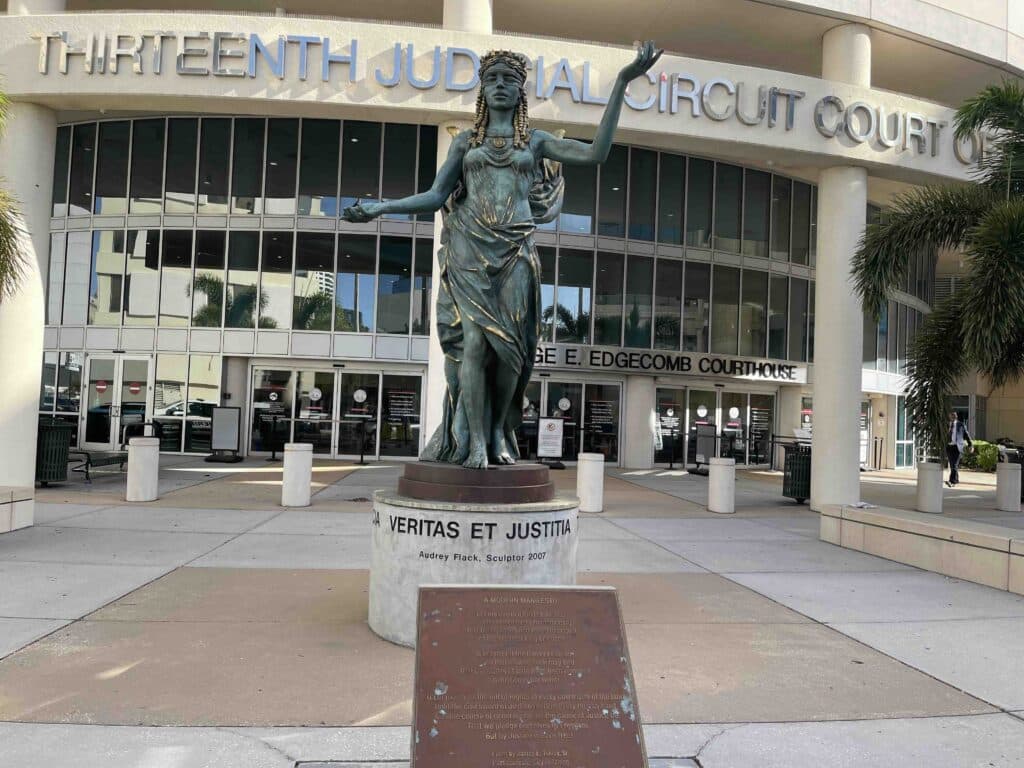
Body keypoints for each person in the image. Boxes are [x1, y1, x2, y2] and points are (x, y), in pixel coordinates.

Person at [342, 43, 662, 468]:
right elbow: (436, 196)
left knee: (512, 348)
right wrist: (381, 208)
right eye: (491, 79)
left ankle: (497, 429)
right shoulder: (465, 144)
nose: (498, 86)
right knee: (473, 344)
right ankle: (475, 441)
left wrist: (622, 81)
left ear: (520, 91)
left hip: (516, 249)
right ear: (482, 89)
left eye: (508, 80)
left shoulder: (537, 141)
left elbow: (596, 154)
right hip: (470, 250)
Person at [945, 411, 973, 487]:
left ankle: (952, 481)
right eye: (951, 416)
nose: (953, 417)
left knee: (954, 465)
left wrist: (971, 445)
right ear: (949, 417)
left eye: (954, 416)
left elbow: (967, 435)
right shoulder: (946, 425)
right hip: (949, 447)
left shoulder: (961, 425)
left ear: (956, 416)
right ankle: (956, 480)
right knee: (952, 465)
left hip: (957, 447)